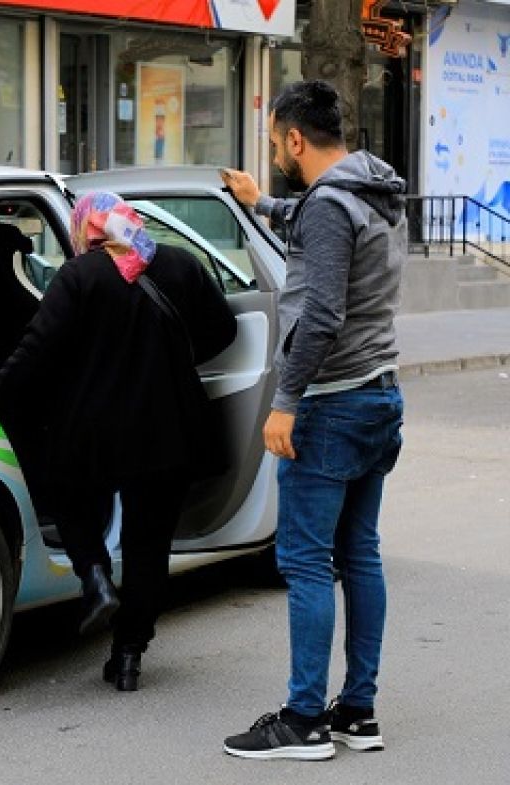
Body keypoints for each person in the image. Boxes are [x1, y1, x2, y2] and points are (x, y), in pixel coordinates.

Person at [219, 79, 406, 760]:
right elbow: (316, 223)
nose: (278, 153)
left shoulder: (330, 207)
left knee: (304, 560)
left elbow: (322, 310)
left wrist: (286, 400)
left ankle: (302, 720)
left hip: (331, 404)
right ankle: (358, 709)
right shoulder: (374, 192)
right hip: (380, 396)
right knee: (359, 553)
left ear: (295, 138)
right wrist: (257, 201)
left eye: (276, 144)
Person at [0, 191, 237, 691]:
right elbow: (224, 329)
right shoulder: (182, 265)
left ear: (86, 229)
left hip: (94, 430)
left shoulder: (79, 277)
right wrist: (175, 358)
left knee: (68, 496)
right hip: (169, 432)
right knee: (149, 545)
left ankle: (95, 574)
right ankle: (128, 655)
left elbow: (37, 348)